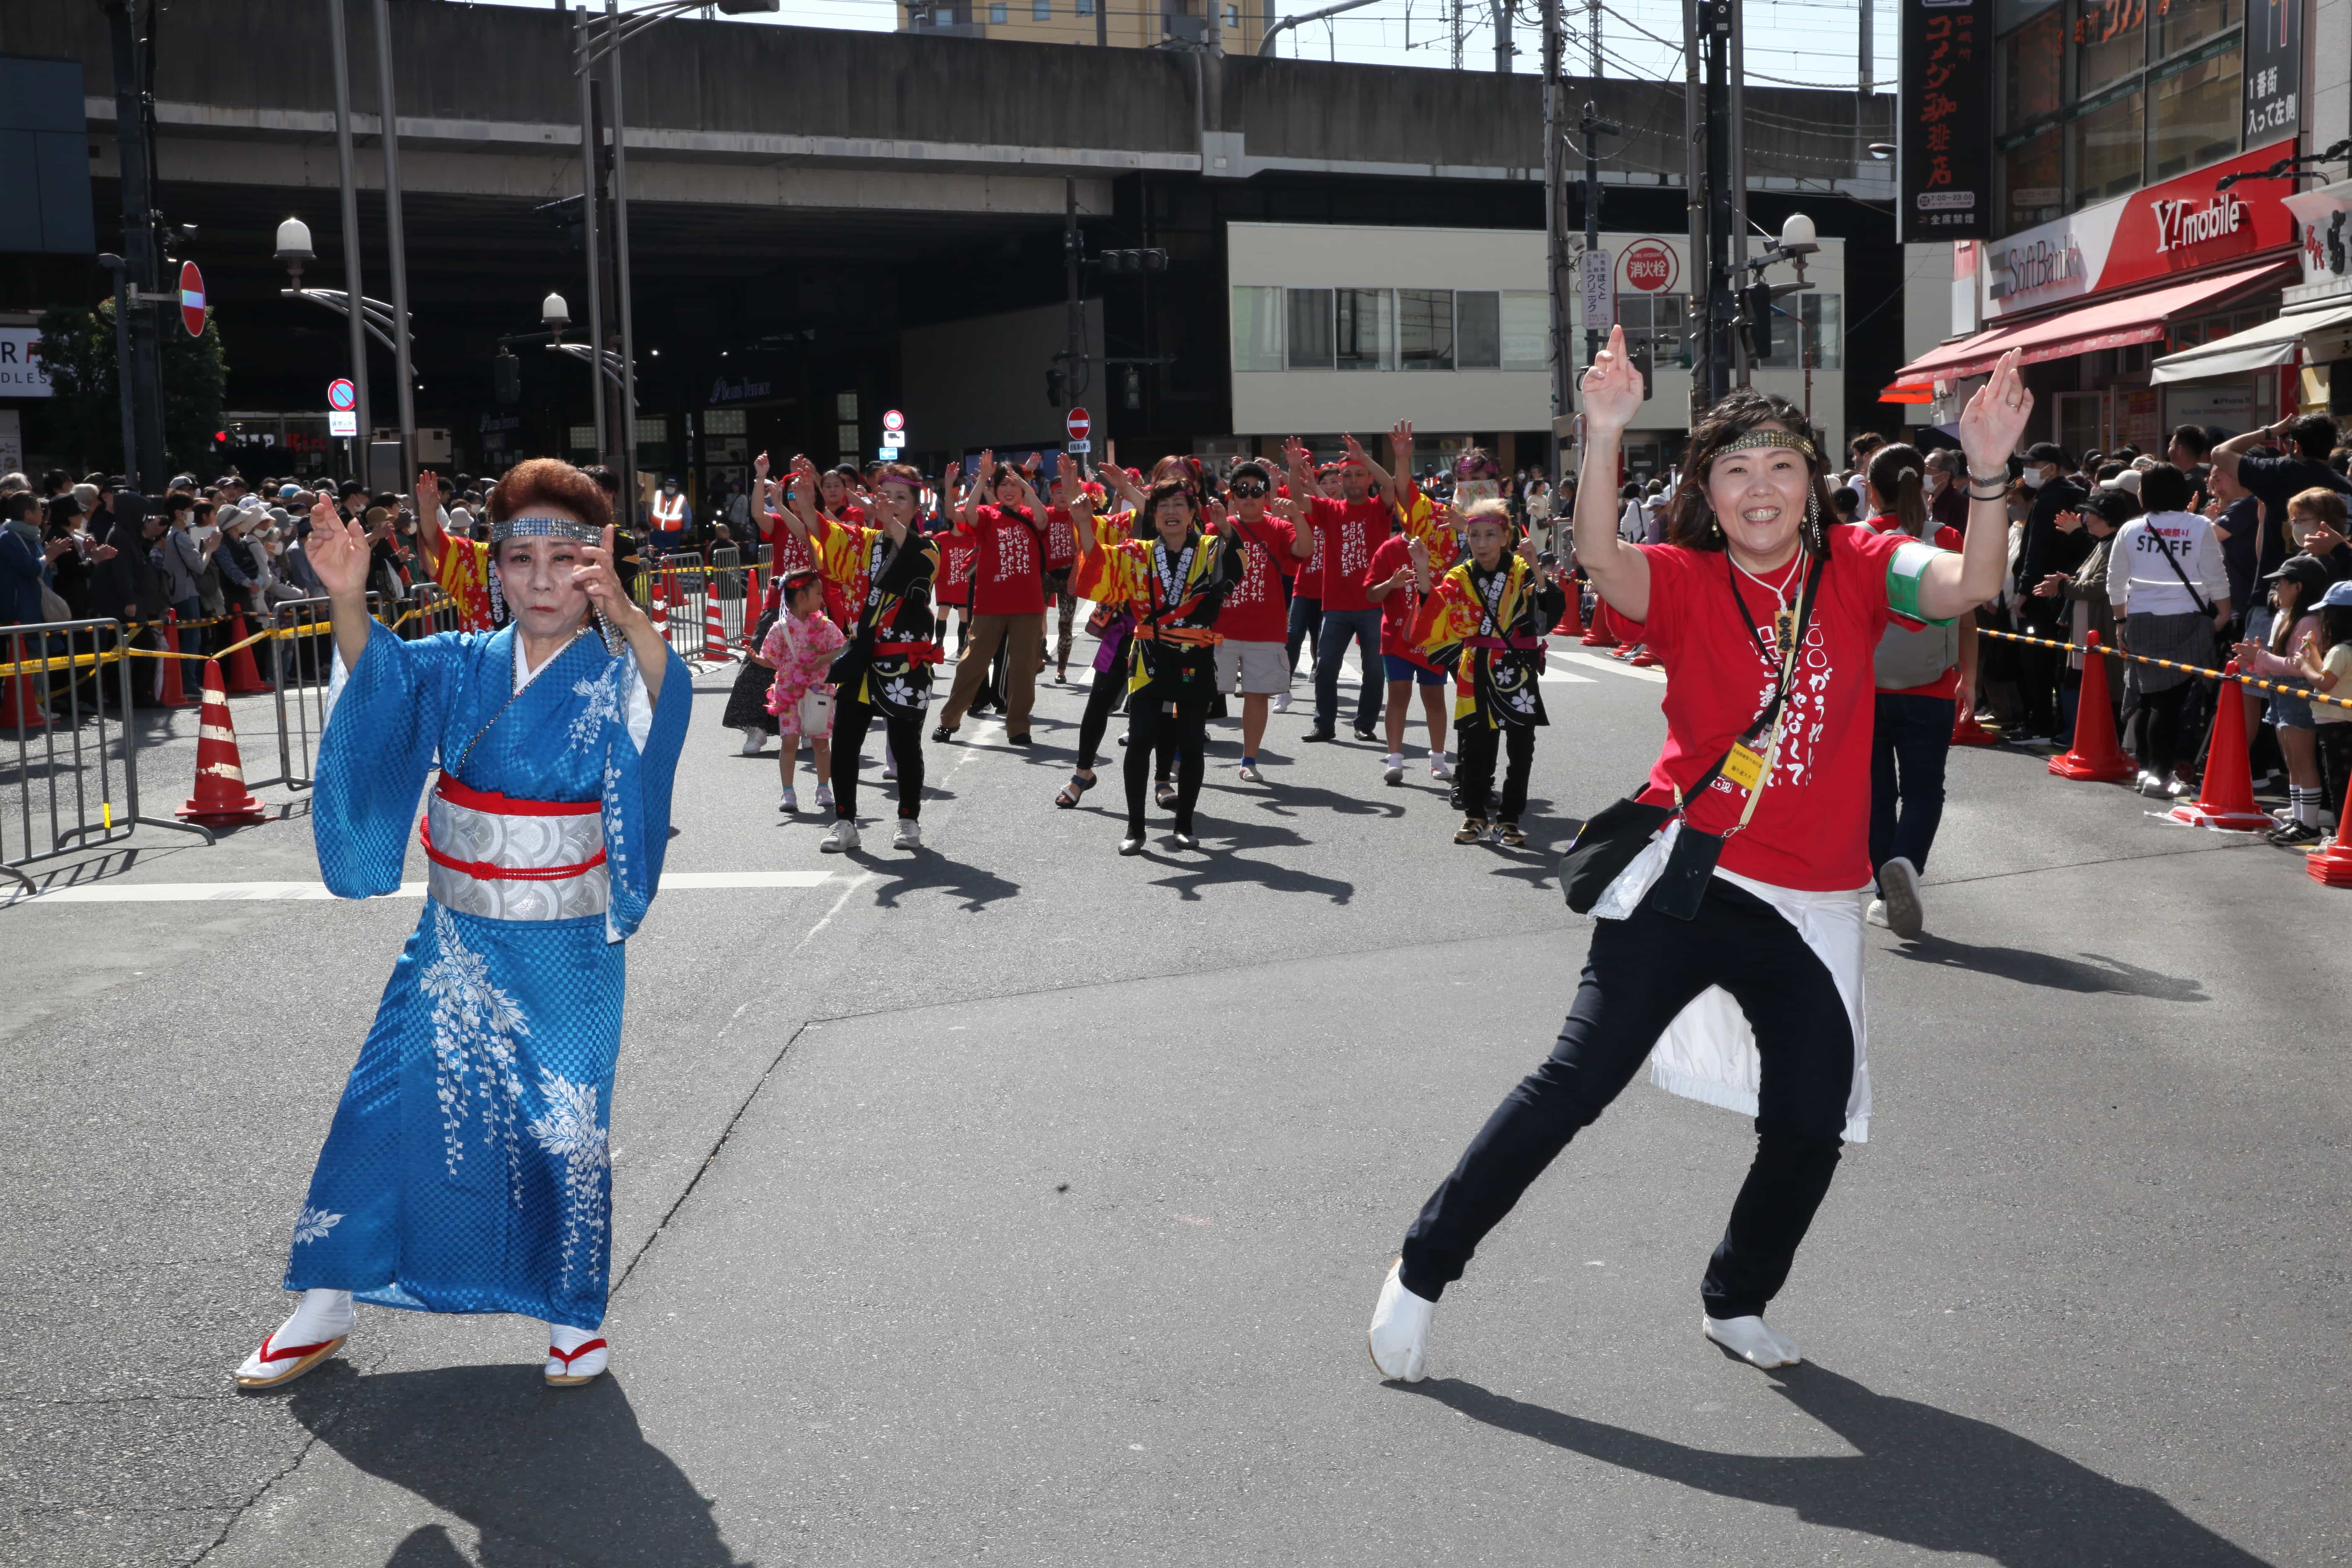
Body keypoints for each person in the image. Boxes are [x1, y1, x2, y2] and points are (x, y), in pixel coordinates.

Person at [1365, 330, 2029, 1383]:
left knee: (1810, 1120)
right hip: (1688, 877)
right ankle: (1421, 1267)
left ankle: (1736, 1297)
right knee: (1575, 1083)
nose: (1760, 488)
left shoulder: (1861, 565)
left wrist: (1987, 471)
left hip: (1813, 900)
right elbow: (1601, 559)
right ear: (1707, 494)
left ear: (1813, 483)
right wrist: (1604, 431)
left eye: (1781, 467)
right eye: (1735, 470)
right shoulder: (1684, 577)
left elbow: (1970, 581)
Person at [233, 458, 689, 1394]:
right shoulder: (462, 661)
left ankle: (572, 1314)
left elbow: (664, 701)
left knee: (564, 1127)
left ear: (599, 564)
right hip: (454, 941)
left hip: (568, 948)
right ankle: (326, 1300)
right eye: (522, 560)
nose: (543, 582)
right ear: (496, 568)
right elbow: (383, 686)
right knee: (380, 1107)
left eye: (566, 560)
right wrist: (348, 598)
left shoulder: (619, 668)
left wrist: (634, 617)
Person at [1070, 477, 1243, 854]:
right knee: (1140, 740)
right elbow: (1100, 565)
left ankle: (1184, 825)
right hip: (1149, 656)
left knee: (1191, 743)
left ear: (1193, 513)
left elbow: (1237, 568)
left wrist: (1227, 529)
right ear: (1153, 515)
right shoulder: (1137, 552)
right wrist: (1085, 523)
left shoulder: (1210, 548)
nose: (1170, 512)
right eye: (1162, 506)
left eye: (1179, 505)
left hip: (1196, 656)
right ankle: (1136, 828)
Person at [777, 455, 939, 853]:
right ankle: (845, 822)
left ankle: (908, 819)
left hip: (903, 666)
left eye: (902, 498)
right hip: (860, 661)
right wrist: (807, 505)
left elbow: (918, 567)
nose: (892, 503)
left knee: (905, 746)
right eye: (887, 495)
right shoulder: (864, 543)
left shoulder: (928, 547)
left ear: (916, 506)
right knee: (846, 744)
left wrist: (891, 523)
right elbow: (826, 533)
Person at [1857, 443, 1975, 940]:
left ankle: (1886, 894)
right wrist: (1970, 676)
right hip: (1932, 684)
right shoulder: (1945, 538)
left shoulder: (1856, 541)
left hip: (1865, 689)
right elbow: (1966, 614)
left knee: (1876, 793)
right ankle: (1906, 863)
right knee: (1925, 790)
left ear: (1871, 490)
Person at [1404, 498, 1563, 844]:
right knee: (1475, 745)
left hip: (1517, 667)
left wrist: (1536, 568)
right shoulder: (1460, 575)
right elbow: (1436, 612)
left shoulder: (1521, 569)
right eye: (1474, 535)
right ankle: (1475, 815)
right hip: (1475, 666)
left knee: (1521, 747)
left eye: (1491, 535)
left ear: (1505, 537)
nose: (1482, 543)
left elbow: (1547, 616)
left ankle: (1509, 819)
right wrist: (1422, 572)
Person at [2108, 463, 2232, 798]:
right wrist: (2223, 613)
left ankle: (2147, 771)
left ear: (2147, 493)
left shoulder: (2132, 528)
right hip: (2186, 619)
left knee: (2147, 698)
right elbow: (2215, 574)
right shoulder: (2199, 526)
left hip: (2141, 619)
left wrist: (2121, 621)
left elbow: (2116, 580)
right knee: (2169, 703)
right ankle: (2159, 775)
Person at [1288, 426, 1404, 744]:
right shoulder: (1330, 510)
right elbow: (1297, 499)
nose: (1353, 480)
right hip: (1336, 606)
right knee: (1326, 668)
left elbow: (1391, 485)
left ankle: (1365, 723)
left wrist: (1363, 458)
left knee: (1374, 670)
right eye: (1348, 476)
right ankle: (1324, 724)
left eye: (1359, 475)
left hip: (1372, 603)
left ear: (1368, 480)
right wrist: (1294, 468)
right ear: (1341, 481)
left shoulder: (1378, 508)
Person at [932, 452, 1047, 746]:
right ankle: (949, 720)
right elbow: (966, 514)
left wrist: (1028, 484)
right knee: (972, 663)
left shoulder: (1031, 513)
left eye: (1014, 484)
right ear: (995, 489)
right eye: (1003, 484)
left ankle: (1018, 727)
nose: (1009, 489)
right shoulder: (988, 514)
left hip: (1028, 605)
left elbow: (1043, 521)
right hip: (989, 604)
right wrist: (982, 479)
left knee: (1023, 669)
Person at [1207, 459, 1300, 784]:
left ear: (1267, 496)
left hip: (1266, 629)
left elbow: (1304, 550)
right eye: (1242, 490)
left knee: (1257, 695)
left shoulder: (1280, 528)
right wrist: (1222, 526)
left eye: (1256, 490)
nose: (1249, 496)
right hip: (1220, 627)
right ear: (1232, 495)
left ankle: (1249, 760)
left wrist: (1298, 516)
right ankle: (1180, 755)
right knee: (1200, 693)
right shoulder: (1217, 525)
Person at [2231, 554, 2333, 843]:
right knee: (2292, 760)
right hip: (2282, 692)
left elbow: (2300, 665)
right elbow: (2280, 664)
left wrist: (2261, 657)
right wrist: (2256, 662)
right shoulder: (2288, 617)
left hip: (2299, 694)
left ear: (2299, 587)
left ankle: (2309, 825)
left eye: (2281, 583)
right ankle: (2300, 819)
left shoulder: (2309, 621)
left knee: (2303, 760)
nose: (2276, 589)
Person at [2010, 442, 2090, 742]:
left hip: (2042, 591)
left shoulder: (2050, 499)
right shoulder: (2075, 494)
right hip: (2064, 588)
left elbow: (2037, 549)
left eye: (2033, 465)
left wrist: (2023, 591)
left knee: (2036, 661)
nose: (2027, 471)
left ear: (2052, 468)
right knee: (2054, 660)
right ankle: (2053, 720)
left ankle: (2040, 722)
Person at [1367, 506, 1450, 788]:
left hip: (1433, 638)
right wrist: (1391, 584)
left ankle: (1438, 760)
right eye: (1409, 511)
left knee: (1434, 697)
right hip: (1396, 637)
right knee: (1398, 694)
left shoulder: (1443, 548)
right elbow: (1371, 594)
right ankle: (1394, 760)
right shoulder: (1388, 549)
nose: (1415, 518)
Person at [761, 569, 846, 815]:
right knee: (789, 741)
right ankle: (788, 791)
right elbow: (771, 658)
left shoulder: (826, 626)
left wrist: (824, 660)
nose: (822, 599)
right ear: (801, 597)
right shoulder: (780, 628)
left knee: (821, 742)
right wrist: (757, 659)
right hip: (789, 693)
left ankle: (823, 788)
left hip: (819, 692)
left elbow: (842, 649)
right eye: (818, 593)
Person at [2293, 583, 2352, 825]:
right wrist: (2314, 655)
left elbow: (2325, 683)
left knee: (2338, 781)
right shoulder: (2344, 650)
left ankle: (2342, 834)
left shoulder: (2340, 651)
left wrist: (2303, 665)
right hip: (2345, 721)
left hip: (2335, 723)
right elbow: (2329, 675)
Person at [413, 469, 496, 632]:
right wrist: (428, 511)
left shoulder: (544, 557)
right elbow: (436, 544)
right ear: (490, 522)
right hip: (480, 646)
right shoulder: (475, 556)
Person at [648, 476, 691, 555]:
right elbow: (648, 510)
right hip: (657, 532)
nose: (670, 487)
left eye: (673, 485)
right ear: (665, 484)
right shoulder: (657, 495)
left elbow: (687, 517)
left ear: (677, 486)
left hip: (674, 535)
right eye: (668, 484)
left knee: (672, 556)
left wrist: (685, 532)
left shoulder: (682, 500)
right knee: (658, 556)